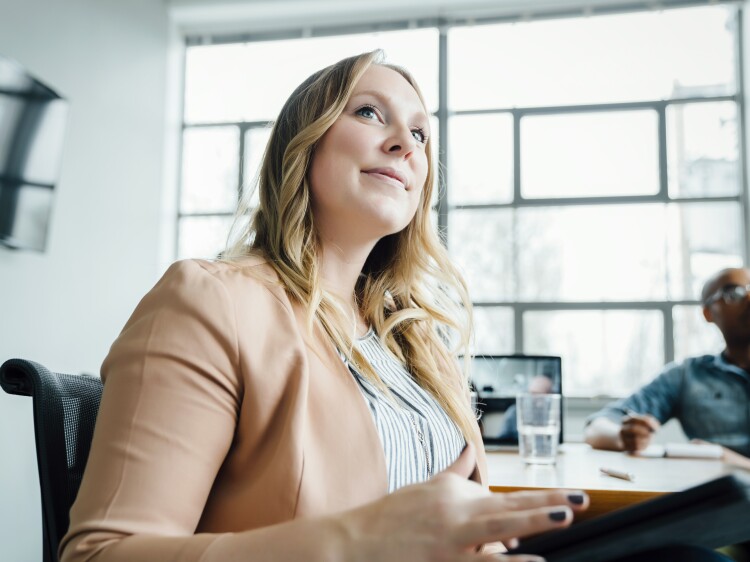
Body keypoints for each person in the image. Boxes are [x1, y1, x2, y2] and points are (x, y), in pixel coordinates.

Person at [59, 51, 729, 562]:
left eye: (420, 133)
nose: (406, 145)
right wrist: (356, 540)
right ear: (306, 142)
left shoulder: (419, 346)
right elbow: (103, 553)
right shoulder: (210, 300)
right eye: (370, 113)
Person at [584, 266, 750, 472]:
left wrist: (730, 461)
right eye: (735, 293)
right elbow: (597, 426)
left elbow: (726, 461)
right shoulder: (688, 375)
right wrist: (625, 436)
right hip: (720, 498)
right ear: (708, 313)